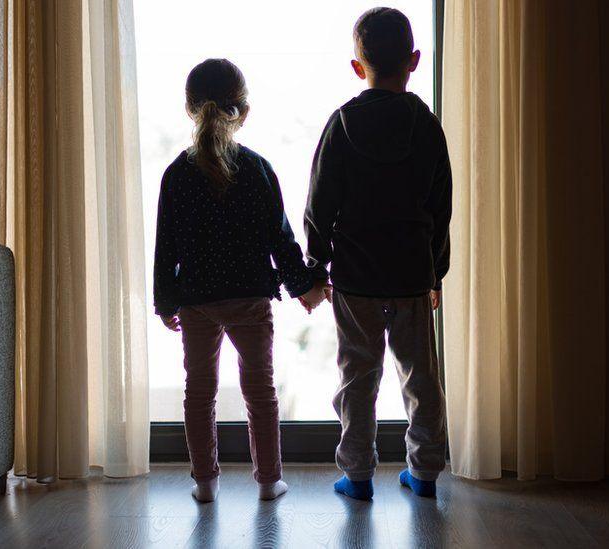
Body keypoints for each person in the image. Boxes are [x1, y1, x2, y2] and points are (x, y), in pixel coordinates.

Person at [153, 58, 328, 503]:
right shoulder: (257, 169)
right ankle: (269, 481)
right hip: (250, 298)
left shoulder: (176, 174)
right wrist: (305, 286)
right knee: (260, 390)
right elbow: (281, 240)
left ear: (191, 109)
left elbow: (165, 247)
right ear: (243, 111)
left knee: (200, 391)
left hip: (196, 300)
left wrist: (165, 302)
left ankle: (205, 483)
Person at [304, 7, 452, 500]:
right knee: (420, 378)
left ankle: (358, 474)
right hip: (411, 273)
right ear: (414, 60)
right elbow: (440, 207)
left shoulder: (342, 124)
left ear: (356, 65)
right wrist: (437, 273)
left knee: (357, 378)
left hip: (355, 277)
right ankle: (425, 472)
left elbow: (319, 204)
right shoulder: (427, 126)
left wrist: (316, 264)